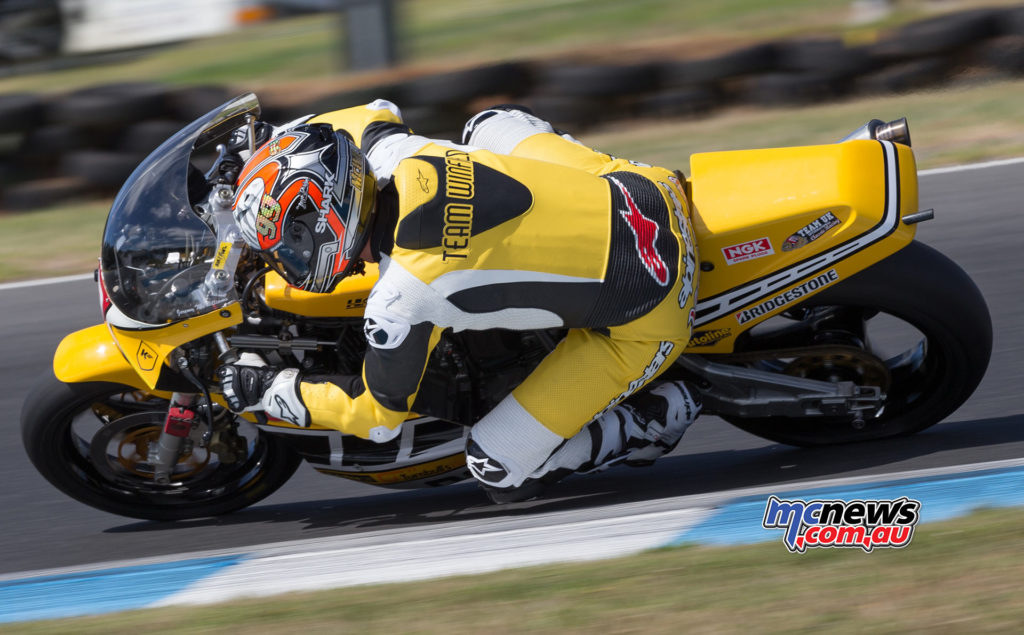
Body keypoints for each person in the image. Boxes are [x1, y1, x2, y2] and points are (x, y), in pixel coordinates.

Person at [218, 100, 702, 502]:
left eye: (288, 247)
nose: (285, 261)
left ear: (327, 225)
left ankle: (649, 423)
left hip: (653, 309)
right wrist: (273, 143)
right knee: (485, 124)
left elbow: (378, 416)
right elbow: (372, 113)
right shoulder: (396, 154)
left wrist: (274, 390)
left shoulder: (400, 296)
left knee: (495, 466)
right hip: (646, 187)